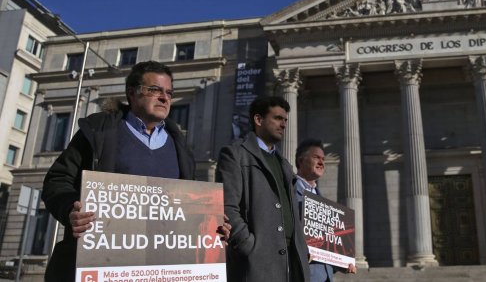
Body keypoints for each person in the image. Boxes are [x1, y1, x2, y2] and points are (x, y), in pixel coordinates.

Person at [41, 61, 229, 281]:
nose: (164, 98)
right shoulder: (99, 132)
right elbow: (57, 180)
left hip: (161, 269)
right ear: (132, 93)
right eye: (155, 90)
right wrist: (70, 210)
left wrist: (213, 221)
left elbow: (188, 207)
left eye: (169, 92)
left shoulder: (180, 147)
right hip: (105, 266)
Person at [217, 96, 310, 282]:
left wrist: (302, 247)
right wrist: (249, 246)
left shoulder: (284, 164)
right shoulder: (235, 154)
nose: (283, 124)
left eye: (285, 120)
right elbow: (227, 207)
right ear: (258, 120)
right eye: (277, 118)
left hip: (291, 261)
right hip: (257, 264)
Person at [294, 139, 357, 282]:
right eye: (316, 157)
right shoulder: (288, 193)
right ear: (301, 160)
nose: (322, 162)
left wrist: (342, 263)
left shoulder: (323, 203)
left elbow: (327, 247)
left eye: (323, 159)